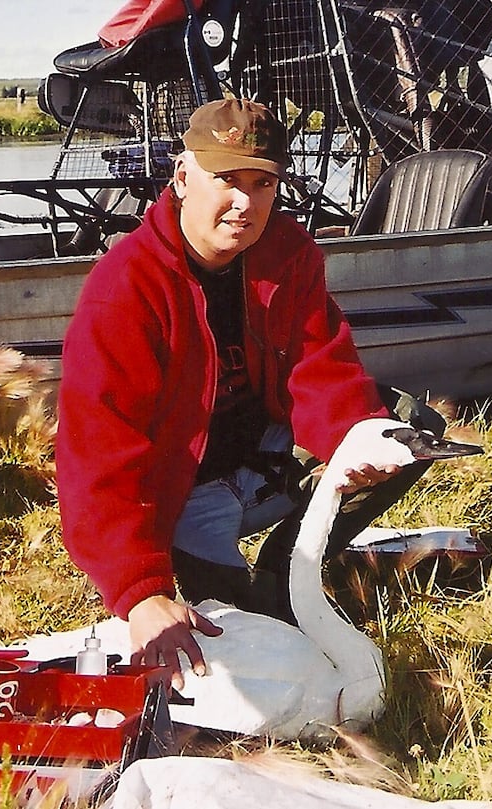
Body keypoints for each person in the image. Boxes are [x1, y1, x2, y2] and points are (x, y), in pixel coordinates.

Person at [55, 97, 446, 685]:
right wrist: (141, 591)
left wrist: (352, 439)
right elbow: (97, 453)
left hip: (260, 461)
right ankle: (218, 576)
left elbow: (320, 366)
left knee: (405, 429)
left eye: (262, 184)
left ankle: (291, 565)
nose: (244, 203)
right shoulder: (124, 290)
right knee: (241, 639)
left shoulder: (288, 254)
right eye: (226, 180)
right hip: (181, 490)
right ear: (183, 178)